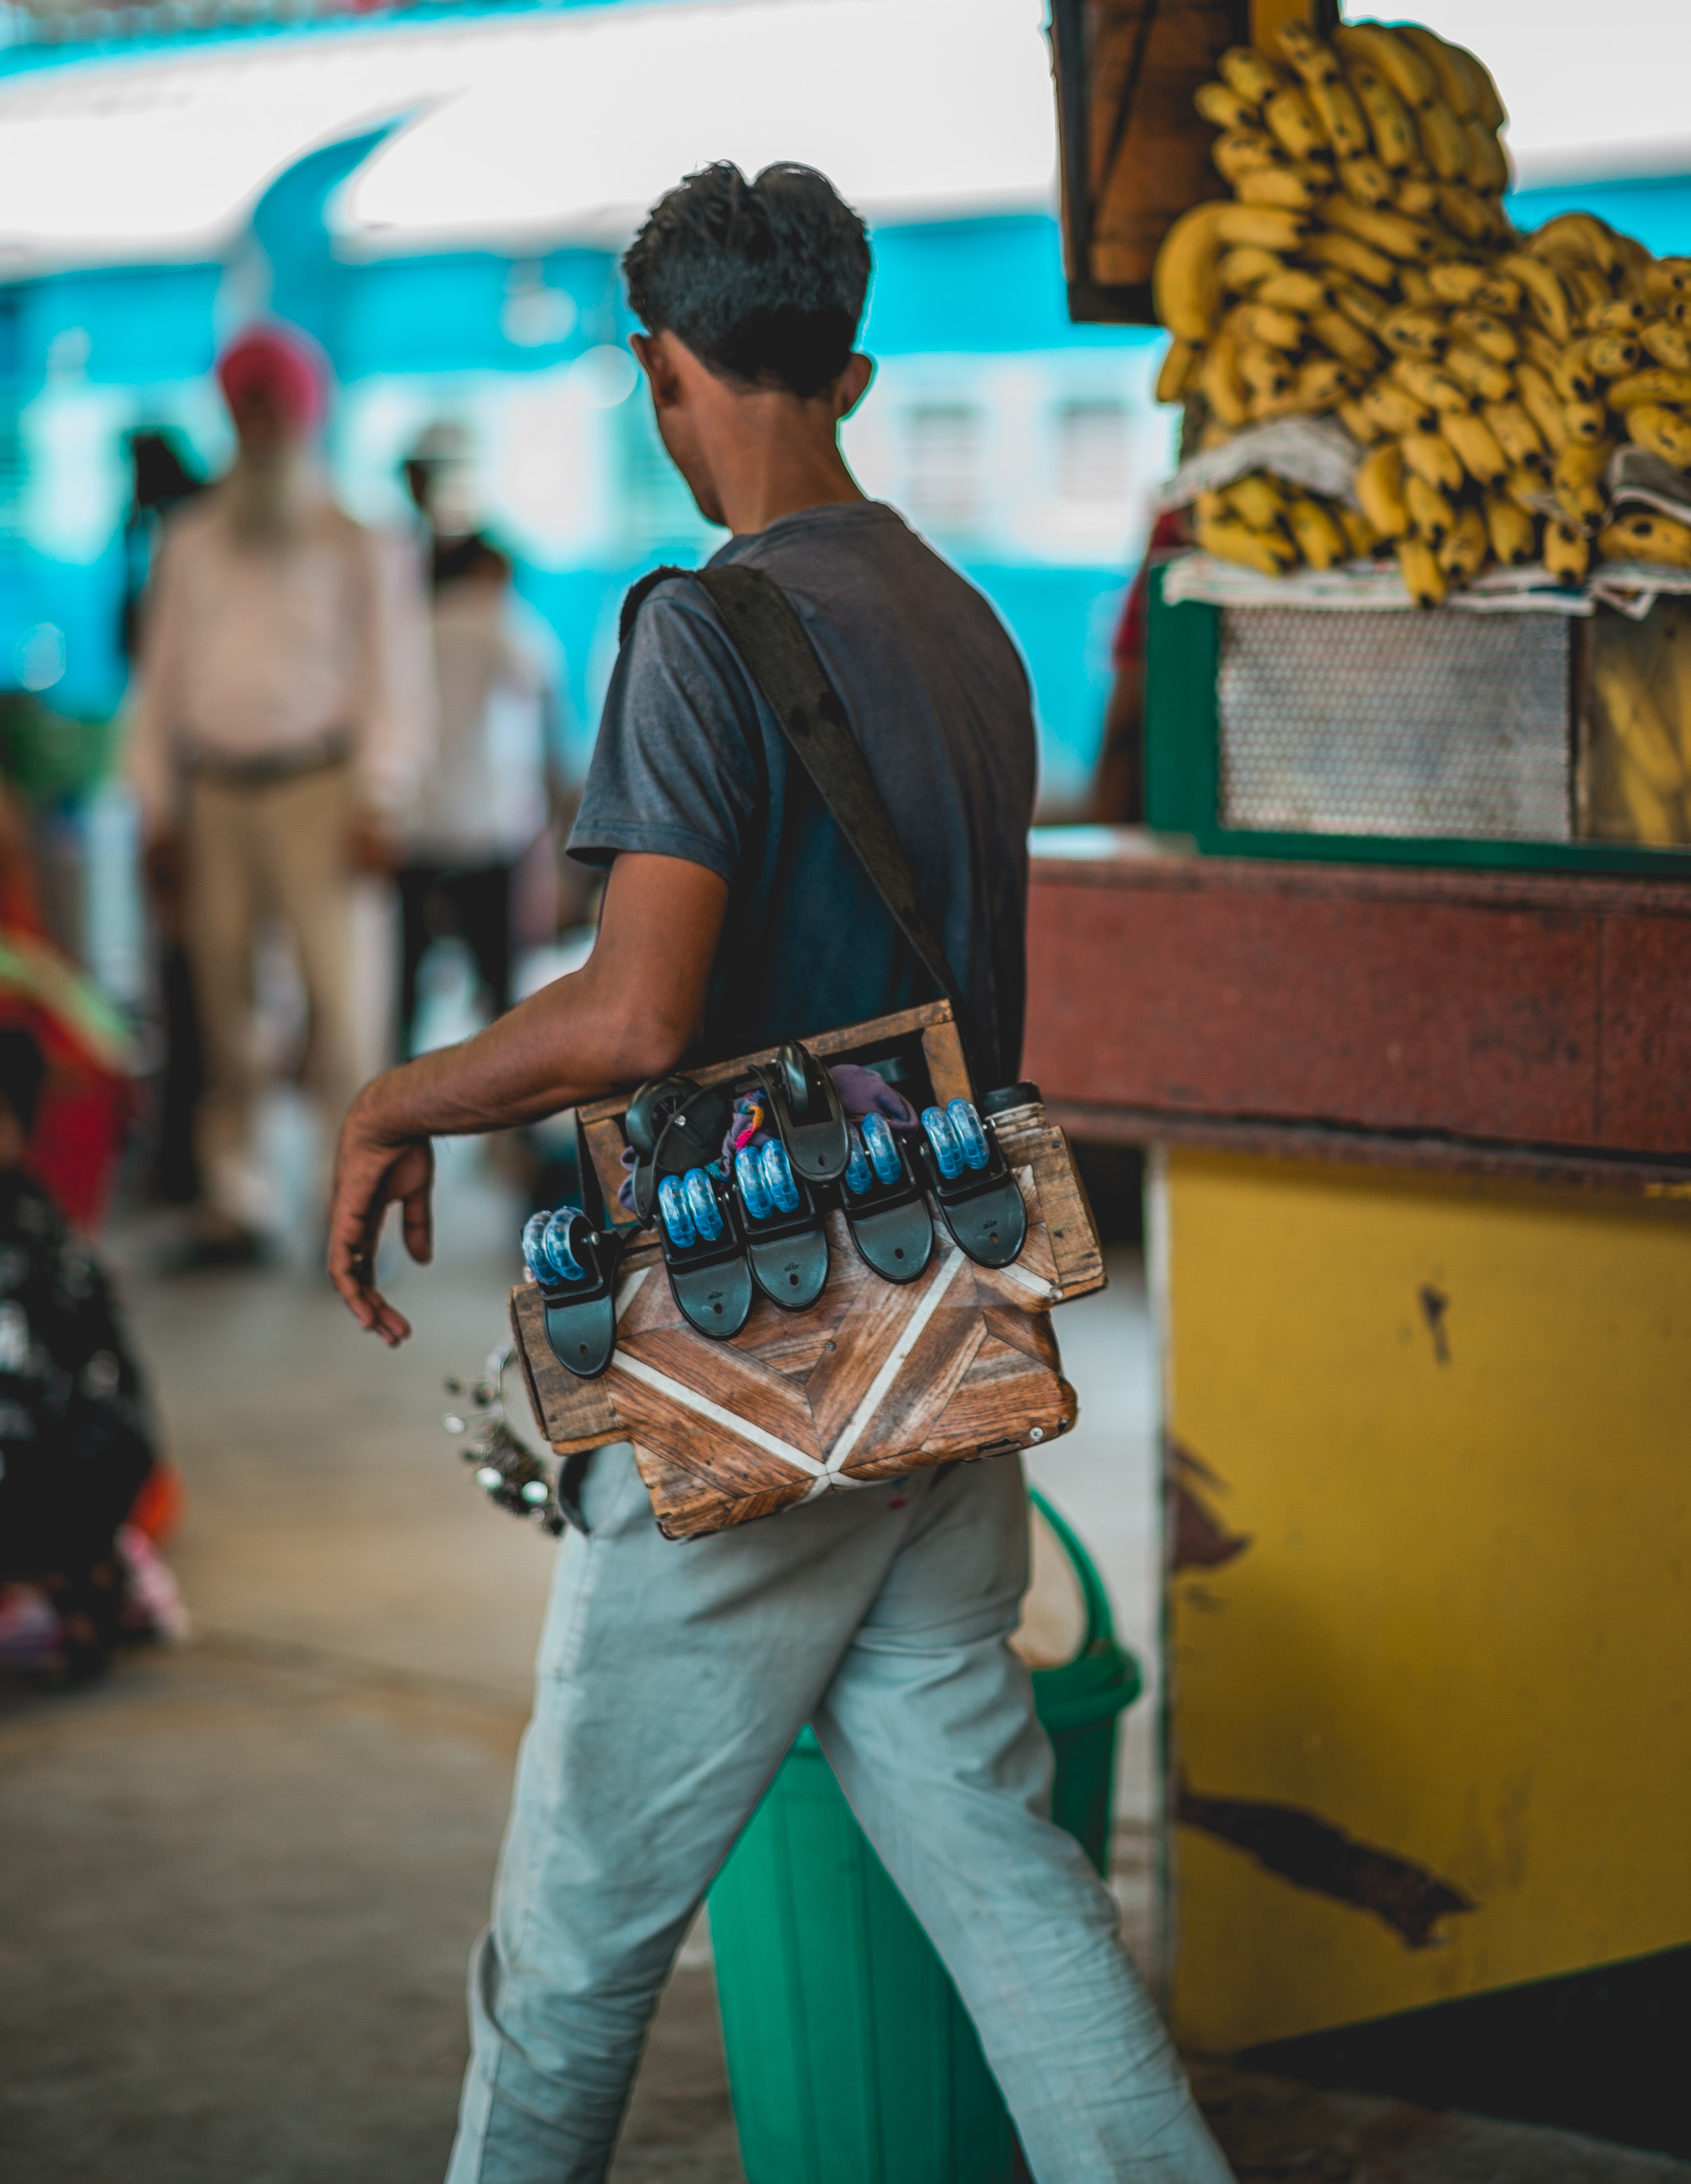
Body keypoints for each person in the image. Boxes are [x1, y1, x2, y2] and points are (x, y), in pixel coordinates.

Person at [325, 163, 1232, 2184]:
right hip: (944, 1338)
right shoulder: (962, 621)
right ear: (853, 364)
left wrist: (400, 1089)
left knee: (566, 1955)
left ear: (661, 374)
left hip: (760, 1366)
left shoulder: (700, 629)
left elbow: (637, 1015)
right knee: (1006, 1887)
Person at [126, 323, 433, 1261]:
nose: (256, 420)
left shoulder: (360, 536)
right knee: (227, 1008)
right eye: (243, 402)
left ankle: (347, 1200)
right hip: (215, 794)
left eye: (271, 401)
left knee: (344, 1007)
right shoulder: (191, 539)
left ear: (303, 411)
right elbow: (161, 679)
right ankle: (238, 1197)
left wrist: (381, 798)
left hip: (324, 792)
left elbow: (397, 674)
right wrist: (156, 807)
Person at [0, 1026, 179, 1682]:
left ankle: (78, 1577)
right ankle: (87, 1575)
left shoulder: (37, 1234)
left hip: (62, 1470)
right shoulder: (44, 1223)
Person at [396, 427, 563, 1054]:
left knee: (405, 988)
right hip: (488, 830)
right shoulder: (501, 623)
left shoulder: (411, 624)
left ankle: (396, 1099)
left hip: (415, 828)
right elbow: (547, 711)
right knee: (500, 989)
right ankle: (510, 1127)